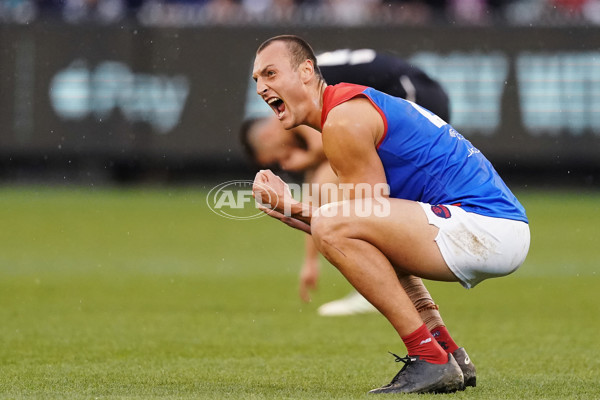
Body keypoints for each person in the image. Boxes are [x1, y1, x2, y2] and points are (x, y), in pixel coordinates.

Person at [250, 35, 529, 394]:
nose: (261, 87)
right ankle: (445, 351)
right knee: (349, 232)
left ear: (306, 71)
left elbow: (349, 221)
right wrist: (294, 213)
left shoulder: (342, 122)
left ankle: (427, 357)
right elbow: (363, 230)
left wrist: (293, 206)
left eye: (270, 73)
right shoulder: (347, 109)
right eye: (257, 79)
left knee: (335, 228)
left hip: (486, 228)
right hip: (496, 226)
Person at [241, 49, 450, 316]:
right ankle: (392, 282)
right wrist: (310, 261)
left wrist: (303, 160)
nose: (284, 162)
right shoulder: (301, 81)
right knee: (353, 192)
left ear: (268, 136)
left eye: (279, 157)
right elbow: (319, 177)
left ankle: (384, 284)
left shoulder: (294, 93)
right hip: (421, 90)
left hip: (411, 92)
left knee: (364, 202)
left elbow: (320, 155)